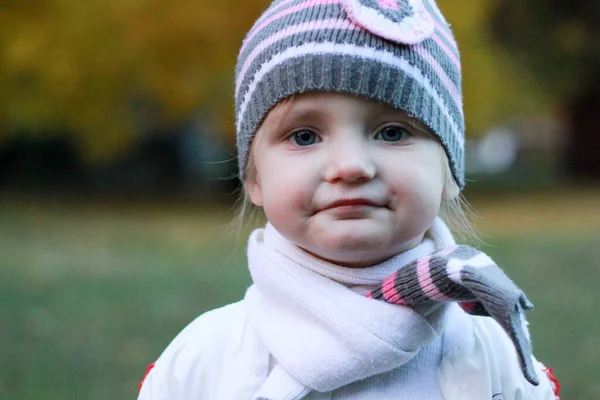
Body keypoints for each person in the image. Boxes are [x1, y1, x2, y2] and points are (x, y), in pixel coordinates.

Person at [138, 0, 561, 399]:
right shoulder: (203, 362)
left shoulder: (499, 359)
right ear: (255, 178)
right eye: (304, 136)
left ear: (449, 171)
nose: (351, 165)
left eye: (392, 132)